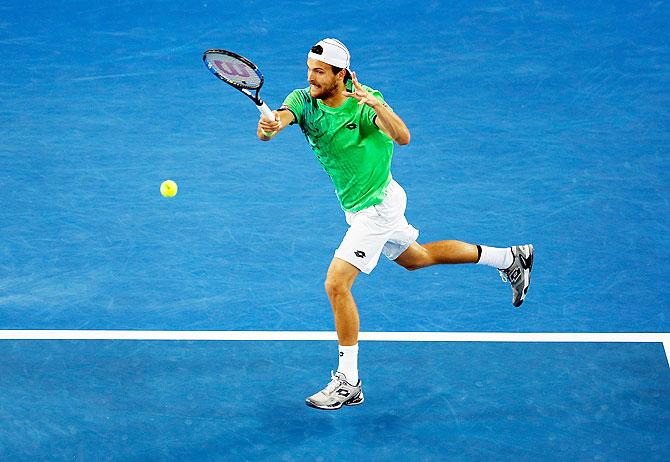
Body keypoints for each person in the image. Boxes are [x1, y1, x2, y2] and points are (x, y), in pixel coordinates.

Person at [257, 38, 534, 411]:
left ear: (341, 75)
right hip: (361, 207)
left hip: (378, 207)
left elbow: (403, 137)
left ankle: (348, 381)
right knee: (416, 258)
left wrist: (376, 105)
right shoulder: (303, 100)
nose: (311, 78)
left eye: (320, 72)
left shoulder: (365, 101)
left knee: (336, 283)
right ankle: (508, 258)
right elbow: (273, 127)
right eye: (309, 69)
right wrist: (269, 125)